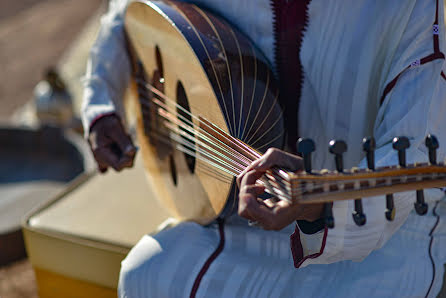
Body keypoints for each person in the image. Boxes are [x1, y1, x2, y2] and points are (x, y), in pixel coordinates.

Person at [82, 0, 446, 297]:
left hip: (377, 237)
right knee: (147, 273)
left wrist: (319, 204)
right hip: (242, 218)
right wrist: (102, 105)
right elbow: (125, 11)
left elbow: (418, 160)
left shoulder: (408, 8)